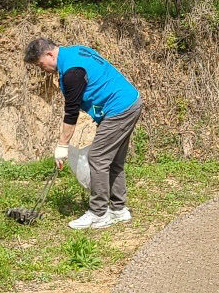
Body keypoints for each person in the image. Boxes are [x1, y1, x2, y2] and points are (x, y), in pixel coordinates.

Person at [24, 38, 142, 230]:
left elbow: (71, 112)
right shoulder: (76, 51)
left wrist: (62, 146)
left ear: (49, 54)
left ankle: (98, 214)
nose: (41, 68)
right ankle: (119, 210)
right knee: (113, 160)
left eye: (40, 64)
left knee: (98, 158)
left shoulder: (71, 72)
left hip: (119, 108)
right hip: (129, 101)